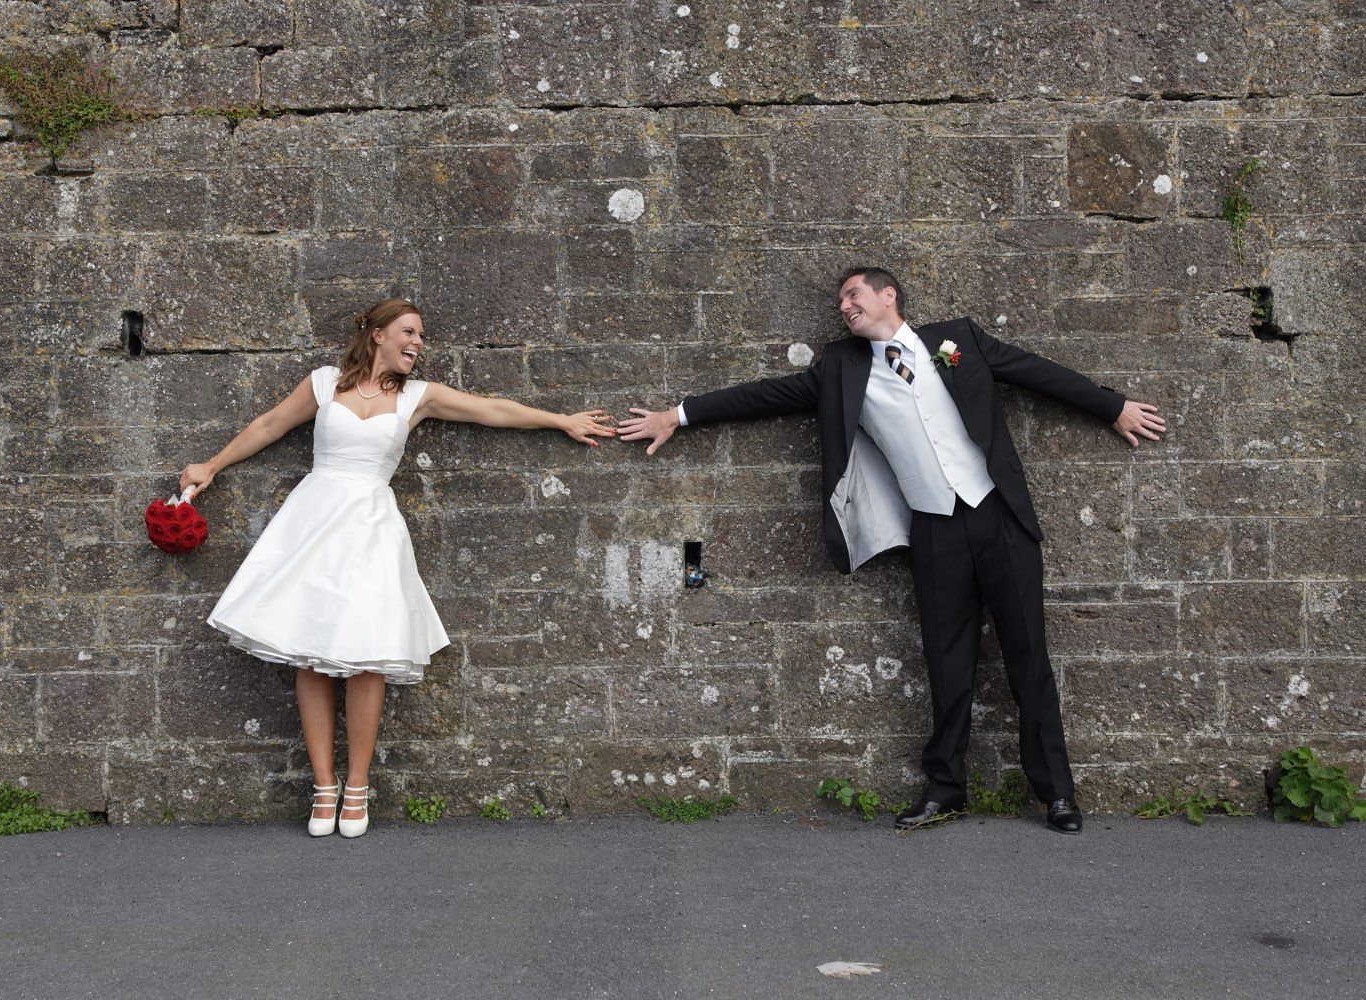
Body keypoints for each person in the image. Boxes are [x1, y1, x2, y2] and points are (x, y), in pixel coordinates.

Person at [618, 267, 1166, 834]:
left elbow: (1035, 373)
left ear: (888, 296)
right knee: (946, 665)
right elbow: (763, 396)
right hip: (933, 529)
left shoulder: (958, 341)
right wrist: (676, 415)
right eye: (839, 303)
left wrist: (1112, 406)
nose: (844, 307)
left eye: (853, 295)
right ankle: (946, 789)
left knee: (1029, 659)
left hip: (998, 516)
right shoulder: (840, 368)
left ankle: (1056, 793)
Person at [182, 299, 614, 838]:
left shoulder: (418, 396)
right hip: (311, 526)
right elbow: (269, 424)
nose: (419, 343)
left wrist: (559, 421)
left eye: (422, 336)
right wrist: (212, 465)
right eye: (409, 332)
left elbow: (492, 409)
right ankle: (323, 787)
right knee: (309, 654)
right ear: (378, 334)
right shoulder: (323, 384)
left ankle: (357, 787)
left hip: (371, 531)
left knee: (369, 656)